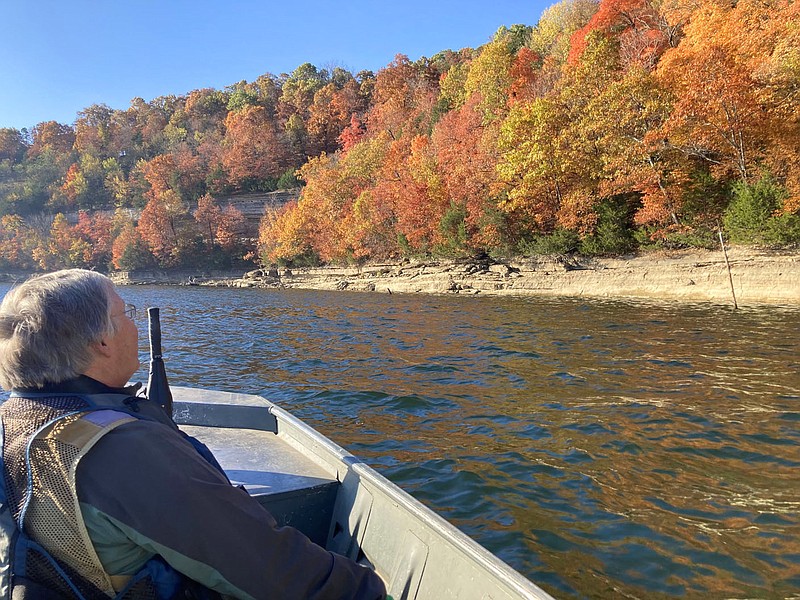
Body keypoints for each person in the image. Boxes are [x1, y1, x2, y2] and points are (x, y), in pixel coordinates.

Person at [0, 269, 387, 600]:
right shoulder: (121, 450)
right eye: (126, 312)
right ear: (102, 342)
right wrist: (369, 588)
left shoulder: (11, 424)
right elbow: (272, 571)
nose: (135, 324)